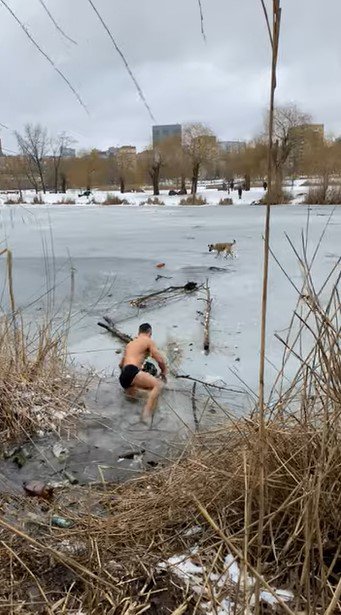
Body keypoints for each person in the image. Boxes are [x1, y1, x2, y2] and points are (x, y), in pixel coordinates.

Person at [119, 323, 167, 422]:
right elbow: (159, 359)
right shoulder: (148, 341)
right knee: (158, 385)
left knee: (134, 400)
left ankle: (128, 417)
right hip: (132, 371)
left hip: (123, 377)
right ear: (150, 333)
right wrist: (164, 371)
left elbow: (120, 364)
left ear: (138, 332)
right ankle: (146, 417)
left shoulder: (130, 344)